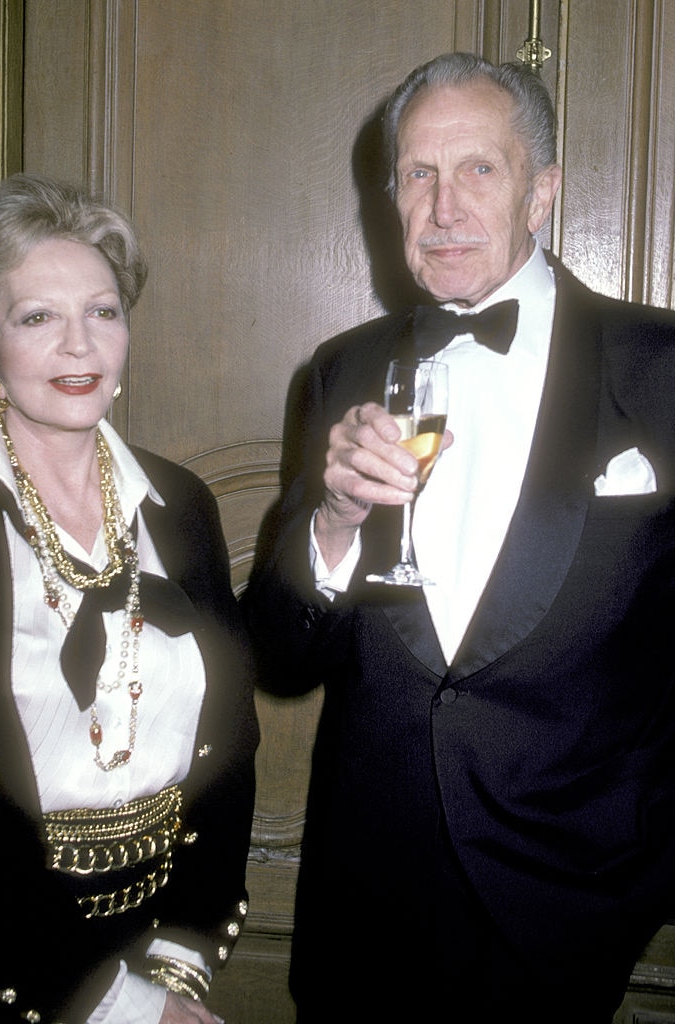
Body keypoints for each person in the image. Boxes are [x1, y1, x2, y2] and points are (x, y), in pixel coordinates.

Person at [242, 52, 675, 1023]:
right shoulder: (340, 369)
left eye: (478, 168)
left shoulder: (663, 368)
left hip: (571, 916)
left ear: (543, 192)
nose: (441, 207)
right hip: (366, 906)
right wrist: (333, 517)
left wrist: (643, 873)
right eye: (416, 174)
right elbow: (277, 652)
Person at [0, 173, 258, 1023]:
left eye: (102, 311)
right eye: (38, 318)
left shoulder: (183, 505)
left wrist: (176, 964)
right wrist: (118, 1005)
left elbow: (231, 748)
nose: (80, 347)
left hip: (167, 949)